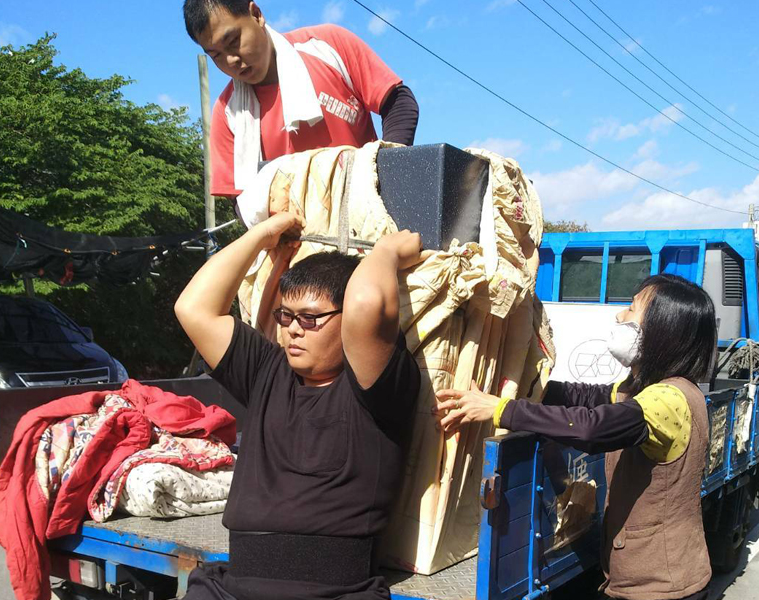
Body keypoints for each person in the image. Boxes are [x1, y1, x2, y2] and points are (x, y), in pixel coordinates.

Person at [174, 214, 426, 600]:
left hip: (334, 593)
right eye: (286, 316)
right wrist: (261, 236)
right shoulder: (266, 371)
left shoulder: (376, 386)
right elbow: (194, 308)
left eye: (310, 318)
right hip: (231, 589)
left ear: (347, 324)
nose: (293, 328)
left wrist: (387, 251)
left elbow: (366, 300)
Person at [434, 274, 717, 600]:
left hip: (661, 589)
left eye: (631, 309)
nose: (619, 316)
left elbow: (591, 427)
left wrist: (502, 410)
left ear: (662, 329)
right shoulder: (647, 390)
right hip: (644, 581)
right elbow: (585, 397)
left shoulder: (669, 400)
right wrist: (528, 384)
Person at [182, 0, 420, 199]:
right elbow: (241, 200)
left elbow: (399, 102)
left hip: (370, 212)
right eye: (216, 56)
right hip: (297, 244)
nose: (230, 60)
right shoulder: (227, 114)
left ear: (256, 14)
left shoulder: (327, 45)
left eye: (233, 41)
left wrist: (386, 176)